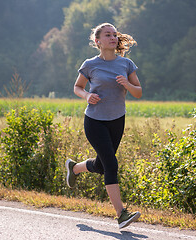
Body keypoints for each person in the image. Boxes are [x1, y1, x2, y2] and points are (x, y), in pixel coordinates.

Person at [65, 22, 142, 229]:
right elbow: (77, 87)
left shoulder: (126, 64)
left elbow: (138, 92)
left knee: (101, 165)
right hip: (95, 121)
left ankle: (75, 168)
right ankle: (121, 214)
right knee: (111, 164)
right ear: (98, 41)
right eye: (108, 35)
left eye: (114, 35)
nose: (113, 38)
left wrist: (127, 84)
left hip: (117, 120)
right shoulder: (90, 64)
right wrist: (87, 95)